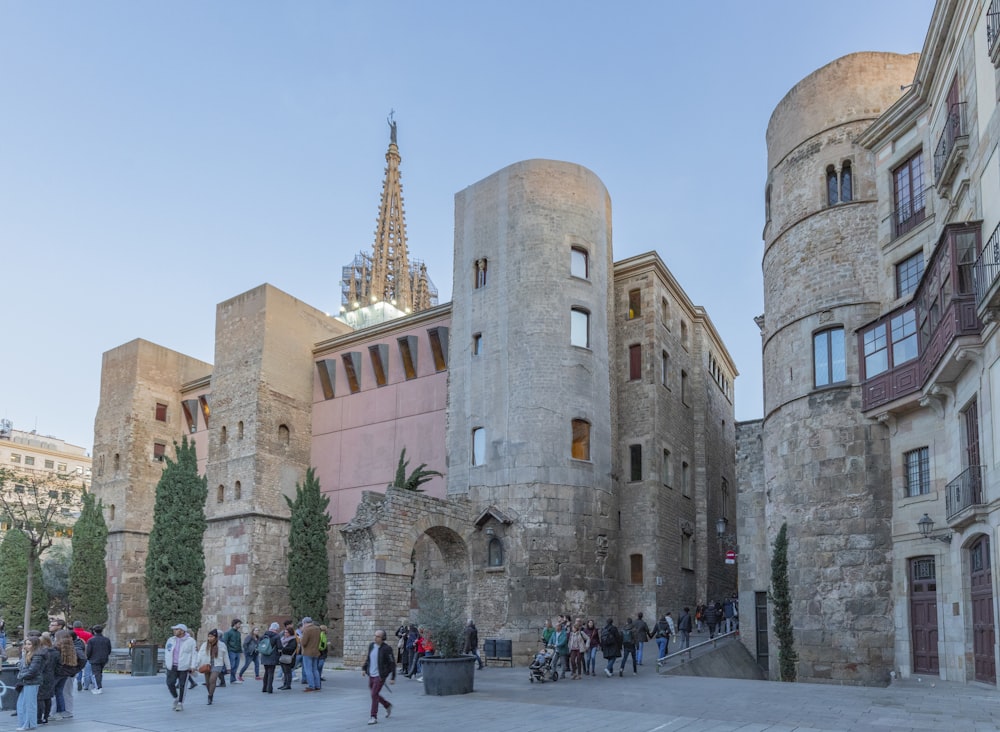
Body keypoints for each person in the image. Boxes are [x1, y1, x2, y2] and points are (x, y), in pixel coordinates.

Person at [361, 629, 395, 725]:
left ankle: (373, 716)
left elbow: (392, 663)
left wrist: (392, 677)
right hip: (371, 674)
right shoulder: (371, 646)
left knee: (373, 694)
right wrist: (364, 668)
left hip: (380, 676)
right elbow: (368, 658)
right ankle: (387, 705)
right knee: (374, 693)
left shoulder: (387, 649)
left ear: (383, 638)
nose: (375, 638)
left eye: (378, 636)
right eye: (375, 636)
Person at [164, 623, 198, 711]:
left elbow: (194, 654)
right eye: (174, 629)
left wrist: (193, 665)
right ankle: (176, 697)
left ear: (182, 631)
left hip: (184, 667)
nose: (174, 631)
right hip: (172, 666)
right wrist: (167, 663)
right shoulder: (171, 640)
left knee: (182, 685)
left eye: (177, 629)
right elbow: (167, 651)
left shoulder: (190, 641)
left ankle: (180, 703)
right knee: (170, 683)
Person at [16, 636, 43, 731]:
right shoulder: (27, 654)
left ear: (34, 645)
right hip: (26, 682)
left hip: (31, 682)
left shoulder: (37, 655)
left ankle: (28, 724)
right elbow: (22, 666)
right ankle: (27, 723)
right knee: (22, 704)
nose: (26, 646)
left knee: (29, 705)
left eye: (29, 644)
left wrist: (21, 676)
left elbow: (33, 671)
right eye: (26, 644)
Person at [52, 629, 79, 720]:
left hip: (58, 673)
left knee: (54, 692)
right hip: (66, 673)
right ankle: (62, 711)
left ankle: (54, 712)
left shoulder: (57, 647)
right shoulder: (71, 647)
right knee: (60, 692)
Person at [198, 629, 230, 705]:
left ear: (216, 637)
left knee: (213, 679)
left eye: (211, 636)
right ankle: (210, 692)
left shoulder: (222, 645)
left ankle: (210, 696)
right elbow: (199, 655)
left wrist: (228, 667)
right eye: (209, 636)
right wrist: (196, 665)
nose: (210, 638)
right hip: (207, 664)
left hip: (217, 664)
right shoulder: (205, 645)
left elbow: (226, 656)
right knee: (207, 682)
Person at [35, 633, 58, 725]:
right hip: (51, 675)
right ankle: (46, 716)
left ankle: (39, 717)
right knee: (48, 697)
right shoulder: (55, 652)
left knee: (40, 697)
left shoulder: (40, 653)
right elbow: (59, 665)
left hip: (41, 675)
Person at [85, 625, 111, 694]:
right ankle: (98, 685)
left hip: (94, 658)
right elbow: (109, 649)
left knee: (96, 673)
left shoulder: (91, 640)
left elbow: (89, 651)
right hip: (104, 658)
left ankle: (98, 687)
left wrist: (88, 657)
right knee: (99, 672)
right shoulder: (106, 639)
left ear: (94, 631)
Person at [299, 617, 321, 691]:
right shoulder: (318, 629)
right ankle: (317, 685)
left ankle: (311, 685)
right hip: (316, 651)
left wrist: (301, 639)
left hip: (308, 652)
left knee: (308, 669)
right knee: (315, 669)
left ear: (305, 623)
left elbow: (303, 642)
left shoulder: (307, 630)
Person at [257, 622, 280, 693]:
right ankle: (269, 688)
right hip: (272, 656)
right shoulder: (276, 636)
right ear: (276, 629)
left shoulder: (264, 635)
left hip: (264, 656)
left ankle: (264, 688)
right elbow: (280, 647)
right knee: (271, 673)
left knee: (266, 672)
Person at [71, 622, 94, 692]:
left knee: (78, 668)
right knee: (87, 669)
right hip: (86, 653)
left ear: (73, 626)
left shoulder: (71, 634)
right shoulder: (88, 634)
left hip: (74, 653)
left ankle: (78, 680)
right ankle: (86, 682)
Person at [221, 619, 243, 684]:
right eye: (239, 624)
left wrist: (240, 652)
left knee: (236, 666)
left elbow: (239, 642)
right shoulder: (228, 632)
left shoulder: (238, 633)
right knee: (231, 666)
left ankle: (233, 679)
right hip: (231, 651)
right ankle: (219, 675)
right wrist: (226, 652)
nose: (240, 625)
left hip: (237, 652)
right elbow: (225, 642)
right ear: (235, 624)